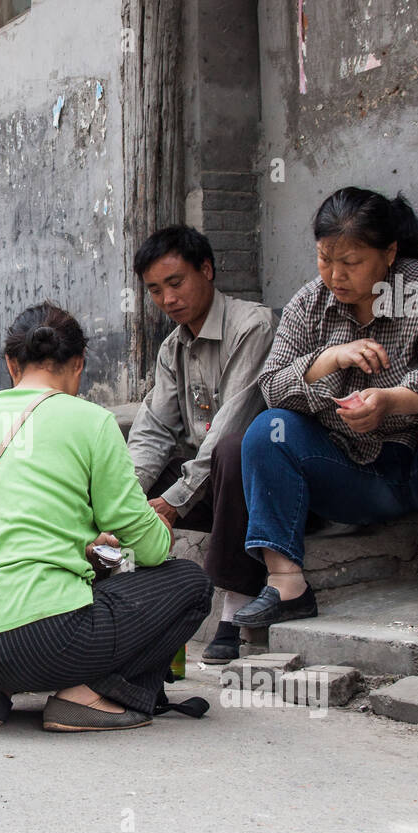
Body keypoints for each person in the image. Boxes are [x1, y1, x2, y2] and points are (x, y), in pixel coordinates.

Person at [235, 187, 418, 639]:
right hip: (363, 474)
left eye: (351, 262)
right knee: (267, 430)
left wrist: (393, 399)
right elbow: (271, 387)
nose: (335, 275)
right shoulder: (307, 306)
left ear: (389, 253)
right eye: (325, 259)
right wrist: (329, 358)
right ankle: (287, 583)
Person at [0, 303, 213, 732]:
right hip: (38, 643)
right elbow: (148, 548)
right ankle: (91, 697)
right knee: (191, 584)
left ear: (10, 364)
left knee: (40, 594)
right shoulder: (91, 422)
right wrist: (159, 528)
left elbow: (2, 525)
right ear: (79, 364)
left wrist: (81, 543)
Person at [127, 226, 276, 663]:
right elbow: (154, 427)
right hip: (210, 483)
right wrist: (126, 496)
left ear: (206, 270)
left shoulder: (253, 326)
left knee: (233, 447)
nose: (167, 299)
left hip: (263, 486)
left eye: (175, 283)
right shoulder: (172, 347)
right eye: (155, 290)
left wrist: (173, 502)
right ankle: (125, 602)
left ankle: (233, 608)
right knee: (117, 461)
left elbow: (233, 420)